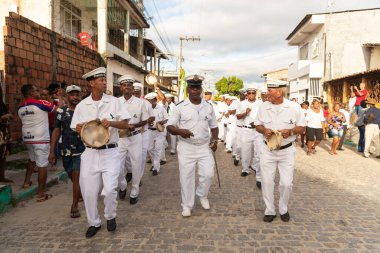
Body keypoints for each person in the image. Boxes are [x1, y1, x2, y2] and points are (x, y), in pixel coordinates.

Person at [70, 67, 131, 238]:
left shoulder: (114, 102)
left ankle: (110, 216)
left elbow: (126, 124)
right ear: (91, 83)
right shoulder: (82, 105)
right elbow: (76, 127)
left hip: (110, 152)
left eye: (104, 79)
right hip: (89, 153)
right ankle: (93, 222)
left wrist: (110, 123)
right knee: (89, 191)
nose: (104, 82)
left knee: (111, 189)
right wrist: (80, 128)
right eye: (100, 79)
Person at [167, 74, 218, 217]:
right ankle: (187, 205)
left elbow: (214, 126)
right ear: (188, 90)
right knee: (186, 177)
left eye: (197, 87)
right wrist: (180, 131)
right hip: (186, 146)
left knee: (208, 174)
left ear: (201, 89)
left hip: (203, 146)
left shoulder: (208, 107)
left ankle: (202, 194)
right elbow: (169, 126)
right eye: (192, 87)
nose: (195, 90)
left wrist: (215, 141)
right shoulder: (180, 107)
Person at [255, 80, 305, 223]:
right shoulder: (263, 107)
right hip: (267, 150)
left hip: (286, 151)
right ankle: (269, 210)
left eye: (270, 91)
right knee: (267, 181)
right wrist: (264, 130)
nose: (267, 93)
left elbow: (302, 127)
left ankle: (283, 208)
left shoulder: (294, 107)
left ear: (279, 92)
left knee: (286, 183)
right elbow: (257, 125)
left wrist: (290, 132)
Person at [49, 85, 84, 218]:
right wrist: (52, 151)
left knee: (76, 177)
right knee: (71, 175)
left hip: (82, 150)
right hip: (66, 150)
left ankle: (74, 205)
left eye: (77, 94)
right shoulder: (60, 112)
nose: (75, 97)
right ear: (67, 96)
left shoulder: (85, 111)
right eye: (72, 94)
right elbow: (56, 130)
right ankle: (79, 193)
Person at [18, 84, 56, 201]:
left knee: (31, 159)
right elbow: (55, 108)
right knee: (42, 165)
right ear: (31, 94)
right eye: (36, 91)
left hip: (28, 138)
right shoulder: (40, 103)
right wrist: (49, 98)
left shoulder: (20, 107)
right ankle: (41, 194)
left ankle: (26, 182)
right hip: (40, 138)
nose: (38, 92)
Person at [116, 75, 148, 205]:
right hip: (119, 138)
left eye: (129, 85)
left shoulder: (140, 102)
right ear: (121, 88)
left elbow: (145, 120)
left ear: (132, 87)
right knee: (117, 166)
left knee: (136, 165)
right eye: (124, 85)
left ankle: (134, 191)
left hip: (135, 136)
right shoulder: (116, 102)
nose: (127, 87)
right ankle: (123, 185)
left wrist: (133, 126)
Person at [236, 85, 262, 183]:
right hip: (246, 130)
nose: (251, 95)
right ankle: (245, 169)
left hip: (257, 131)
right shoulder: (242, 103)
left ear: (255, 94)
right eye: (249, 93)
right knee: (245, 151)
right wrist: (245, 113)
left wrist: (257, 124)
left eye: (253, 93)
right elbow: (238, 117)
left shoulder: (260, 103)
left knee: (258, 151)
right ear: (247, 94)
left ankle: (255, 167)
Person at [133, 82, 155, 179]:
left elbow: (152, 117)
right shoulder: (123, 102)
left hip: (143, 133)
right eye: (134, 92)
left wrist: (146, 121)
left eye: (138, 92)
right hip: (130, 134)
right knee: (129, 158)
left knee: (141, 157)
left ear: (140, 92)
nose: (136, 94)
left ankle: (138, 178)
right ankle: (131, 173)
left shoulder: (146, 103)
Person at [145, 92, 168, 176]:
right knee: (149, 148)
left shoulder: (161, 108)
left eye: (151, 101)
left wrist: (162, 122)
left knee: (158, 149)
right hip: (149, 131)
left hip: (159, 131)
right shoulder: (146, 109)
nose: (150, 103)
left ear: (155, 100)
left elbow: (167, 118)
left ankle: (156, 168)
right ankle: (154, 164)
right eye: (148, 101)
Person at [0, 87, 12, 183]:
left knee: (3, 156)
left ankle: (1, 177)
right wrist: (3, 117)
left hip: (3, 133)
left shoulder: (1, 104)